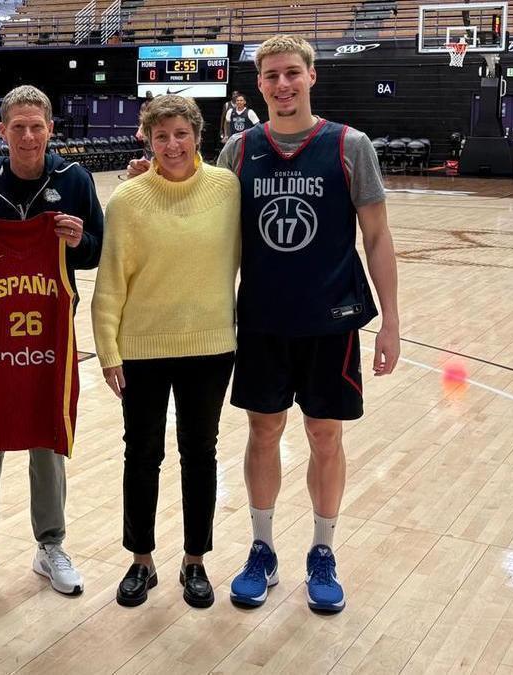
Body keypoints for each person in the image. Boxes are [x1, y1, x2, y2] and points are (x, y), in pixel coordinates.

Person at [126, 34, 400, 614]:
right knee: (263, 433)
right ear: (259, 85)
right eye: (271, 76)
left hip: (332, 323)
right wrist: (145, 173)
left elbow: (376, 237)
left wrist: (392, 321)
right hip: (260, 324)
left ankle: (322, 552)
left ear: (311, 76)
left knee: (326, 435)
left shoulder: (351, 147)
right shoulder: (239, 151)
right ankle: (262, 548)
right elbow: (188, 197)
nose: (282, 84)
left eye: (292, 73)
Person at [0, 84, 103, 596]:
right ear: (1, 131)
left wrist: (79, 241)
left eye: (37, 126)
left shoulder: (74, 180)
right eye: (18, 127)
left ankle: (50, 544)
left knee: (46, 431)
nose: (28, 135)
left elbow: (97, 250)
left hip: (49, 325)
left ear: (50, 129)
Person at [91, 94, 241, 609]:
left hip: (211, 346)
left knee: (200, 454)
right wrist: (108, 350)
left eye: (181, 134)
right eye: (161, 136)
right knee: (142, 454)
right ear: (147, 140)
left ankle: (195, 560)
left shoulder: (227, 189)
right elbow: (109, 282)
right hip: (142, 349)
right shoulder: (128, 199)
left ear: (198, 136)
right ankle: (141, 560)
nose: (172, 145)